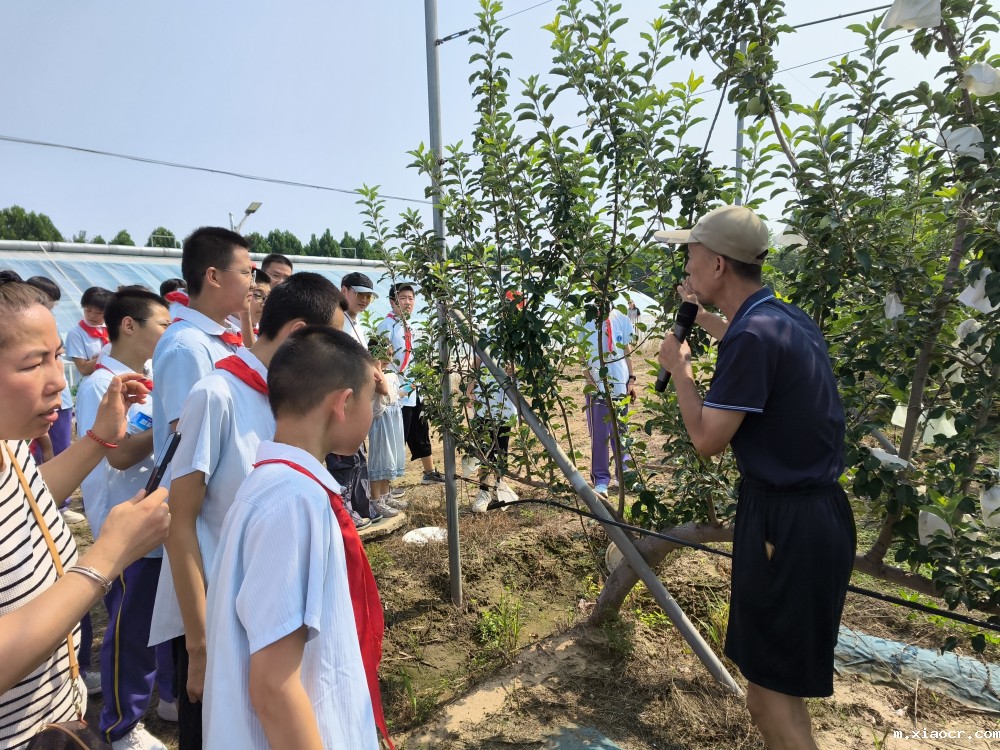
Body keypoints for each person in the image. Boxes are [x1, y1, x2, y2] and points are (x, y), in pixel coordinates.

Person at [654, 205, 855, 750]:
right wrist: (702, 320)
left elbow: (706, 439)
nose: (686, 266)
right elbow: (744, 336)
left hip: (784, 528)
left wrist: (681, 371)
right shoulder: (784, 318)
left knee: (769, 701)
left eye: (692, 255)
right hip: (817, 515)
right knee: (776, 695)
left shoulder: (754, 338)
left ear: (718, 264)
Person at [152, 273, 344, 733]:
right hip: (216, 619)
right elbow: (180, 522)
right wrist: (200, 645)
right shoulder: (216, 395)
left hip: (269, 616)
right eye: (333, 344)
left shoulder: (288, 400)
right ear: (298, 334)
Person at [0, 272, 170, 747]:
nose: (59, 379)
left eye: (57, 356)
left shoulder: (9, 448)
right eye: (34, 363)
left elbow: (27, 494)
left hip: (54, 722)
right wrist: (107, 557)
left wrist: (98, 438)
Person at [203, 327, 392, 750]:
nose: (373, 413)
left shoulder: (279, 488)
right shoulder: (292, 500)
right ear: (343, 404)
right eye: (371, 401)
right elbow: (273, 687)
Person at [149, 226, 252, 750]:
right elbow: (185, 454)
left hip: (222, 531)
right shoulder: (187, 348)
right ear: (213, 276)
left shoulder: (217, 339)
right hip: (201, 537)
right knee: (206, 699)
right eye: (247, 272)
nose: (253, 282)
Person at [75, 289, 175, 750]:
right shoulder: (102, 385)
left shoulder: (150, 377)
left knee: (161, 617)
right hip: (124, 523)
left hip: (152, 516)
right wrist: (172, 425)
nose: (169, 333)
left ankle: (169, 697)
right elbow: (113, 455)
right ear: (129, 325)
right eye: (162, 324)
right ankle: (120, 726)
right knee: (131, 627)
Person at [376, 282, 445, 485]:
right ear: (392, 302)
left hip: (413, 388)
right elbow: (380, 361)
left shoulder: (409, 326)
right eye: (403, 298)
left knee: (420, 429)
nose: (408, 302)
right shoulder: (386, 326)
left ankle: (429, 472)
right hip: (397, 391)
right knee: (397, 435)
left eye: (411, 298)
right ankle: (387, 485)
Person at [579, 303, 636, 496]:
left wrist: (631, 379)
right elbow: (581, 355)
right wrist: (591, 381)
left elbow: (626, 349)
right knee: (600, 436)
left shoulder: (620, 316)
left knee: (621, 432)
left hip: (620, 385)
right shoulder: (583, 318)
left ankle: (625, 475)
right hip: (597, 389)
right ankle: (601, 480)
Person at [465, 357, 519, 514]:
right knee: (483, 450)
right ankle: (484, 490)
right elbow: (476, 363)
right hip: (483, 402)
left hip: (505, 405)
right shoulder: (485, 340)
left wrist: (516, 370)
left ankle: (499, 486)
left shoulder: (514, 345)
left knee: (501, 450)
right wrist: (469, 388)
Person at [367, 337, 407, 514]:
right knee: (379, 458)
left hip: (393, 420)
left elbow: (393, 395)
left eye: (390, 354)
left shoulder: (390, 374)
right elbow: (383, 391)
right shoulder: (373, 374)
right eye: (383, 354)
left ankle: (385, 495)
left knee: (389, 458)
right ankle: (376, 500)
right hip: (380, 421)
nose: (388, 358)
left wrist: (404, 391)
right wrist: (376, 366)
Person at [64, 286, 114, 384]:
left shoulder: (113, 328)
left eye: (99, 313)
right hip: (92, 383)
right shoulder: (76, 333)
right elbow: (83, 369)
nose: (92, 315)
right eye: (88, 310)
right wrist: (110, 355)